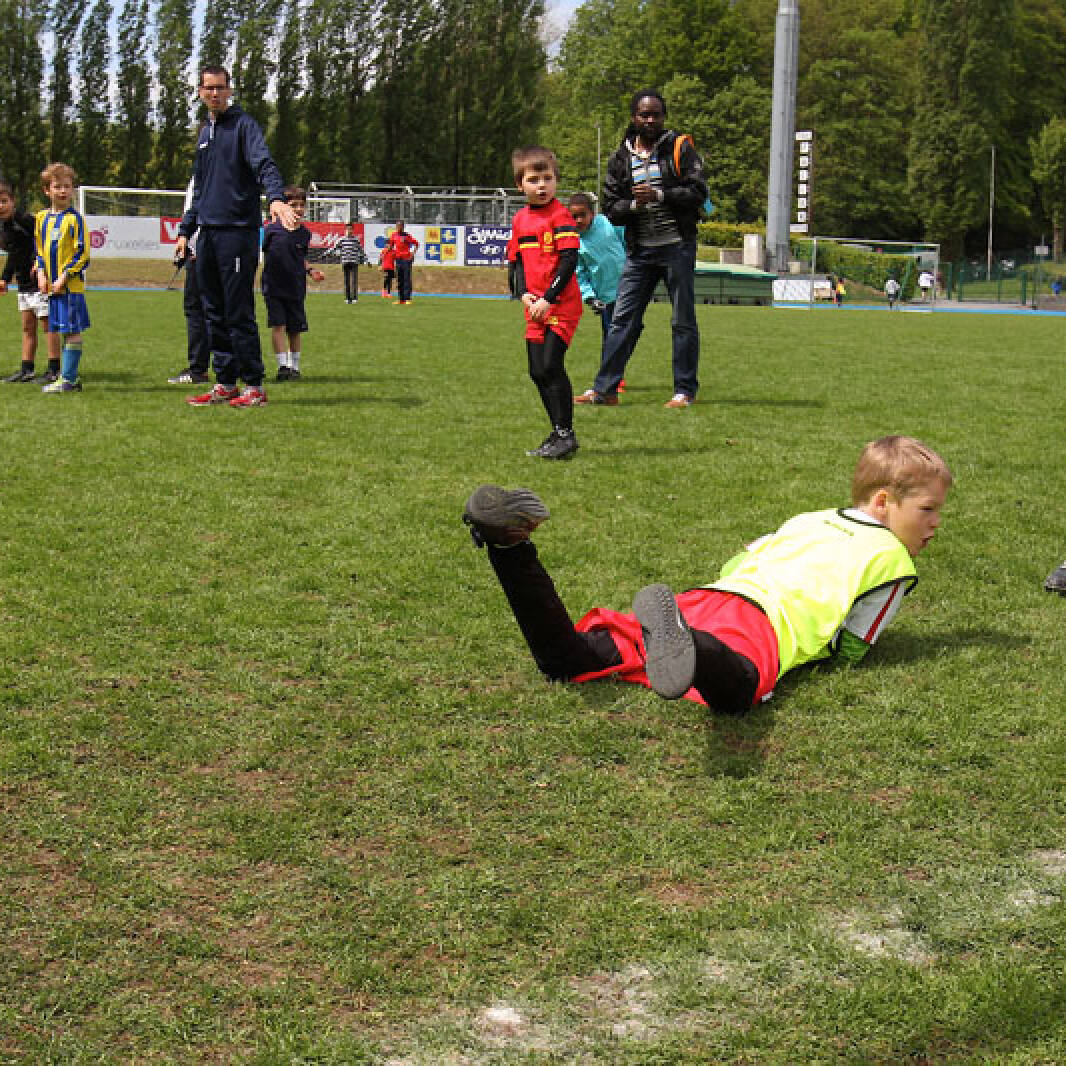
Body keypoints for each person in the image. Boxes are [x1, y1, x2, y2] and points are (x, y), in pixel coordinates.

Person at [461, 435, 951, 713]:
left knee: (568, 658)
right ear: (883, 502)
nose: (935, 523)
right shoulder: (893, 559)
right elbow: (854, 646)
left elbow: (743, 558)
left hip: (707, 598)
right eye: (927, 509)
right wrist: (829, 660)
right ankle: (693, 645)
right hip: (763, 623)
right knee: (738, 692)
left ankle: (510, 548)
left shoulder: (810, 518)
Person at [575, 89, 707, 409]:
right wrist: (635, 204)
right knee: (622, 319)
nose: (650, 120)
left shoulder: (680, 148)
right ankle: (605, 389)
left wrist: (660, 195)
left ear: (664, 117)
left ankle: (684, 390)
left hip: (677, 247)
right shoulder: (621, 157)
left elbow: (698, 192)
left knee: (682, 320)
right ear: (633, 117)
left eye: (656, 114)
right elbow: (611, 207)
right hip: (640, 252)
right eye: (644, 114)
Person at [175, 64, 297, 409]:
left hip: (237, 234)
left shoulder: (244, 126)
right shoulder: (204, 134)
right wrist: (185, 231)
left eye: (220, 87)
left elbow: (264, 165)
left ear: (229, 90)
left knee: (238, 311)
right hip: (207, 234)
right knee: (212, 311)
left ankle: (254, 385)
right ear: (200, 92)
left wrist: (276, 198)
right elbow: (200, 189)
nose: (214, 93)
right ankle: (226, 382)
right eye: (208, 88)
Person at [508, 146, 583, 461]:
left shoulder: (560, 215)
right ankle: (557, 433)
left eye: (547, 178)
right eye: (533, 180)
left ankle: (566, 434)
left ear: (556, 180)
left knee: (551, 365)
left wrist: (549, 298)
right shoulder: (520, 220)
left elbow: (569, 260)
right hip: (535, 306)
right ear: (520, 185)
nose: (542, 185)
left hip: (561, 305)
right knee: (537, 371)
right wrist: (523, 292)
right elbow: (517, 261)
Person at [568, 191, 639, 405]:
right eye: (574, 216)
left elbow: (628, 244)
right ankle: (614, 379)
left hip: (628, 289)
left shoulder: (608, 224)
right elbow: (580, 274)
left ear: (592, 213)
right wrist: (590, 297)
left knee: (632, 332)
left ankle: (614, 374)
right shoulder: (575, 242)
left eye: (582, 215)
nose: (578, 220)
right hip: (606, 298)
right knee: (612, 337)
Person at [34, 162, 90, 394]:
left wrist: (64, 278)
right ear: (47, 190)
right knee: (60, 329)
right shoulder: (41, 218)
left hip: (69, 288)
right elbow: (39, 250)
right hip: (51, 287)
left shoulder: (76, 220)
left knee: (71, 331)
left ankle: (68, 379)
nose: (63, 191)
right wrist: (41, 273)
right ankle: (67, 378)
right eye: (57, 186)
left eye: (67, 186)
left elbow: (82, 254)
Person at [261, 184, 325, 381]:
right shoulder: (272, 230)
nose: (298, 209)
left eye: (301, 205)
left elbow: (300, 259)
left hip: (296, 288)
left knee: (295, 329)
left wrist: (310, 270)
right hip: (274, 287)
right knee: (278, 326)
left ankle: (295, 367)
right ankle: (283, 366)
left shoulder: (304, 234)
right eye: (293, 205)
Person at [0, 178, 61, 384]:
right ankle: (27, 369)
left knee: (48, 326)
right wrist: (5, 279)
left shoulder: (24, 220)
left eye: (4, 201)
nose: (1, 206)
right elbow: (14, 254)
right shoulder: (4, 227)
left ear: (12, 201)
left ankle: (54, 370)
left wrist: (41, 264)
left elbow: (43, 240)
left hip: (40, 281)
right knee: (27, 327)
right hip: (23, 284)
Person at [168, 179, 212, 385]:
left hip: (202, 248)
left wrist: (190, 241)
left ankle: (198, 369)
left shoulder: (205, 173)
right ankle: (234, 367)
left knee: (197, 310)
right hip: (207, 247)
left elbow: (198, 209)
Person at [383, 220, 419, 305]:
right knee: (399, 279)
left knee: (406, 279)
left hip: (406, 260)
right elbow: (391, 246)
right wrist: (386, 253)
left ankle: (407, 299)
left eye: (400, 226)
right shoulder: (394, 235)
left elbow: (416, 244)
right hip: (398, 260)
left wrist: (413, 254)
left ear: (403, 227)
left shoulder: (407, 236)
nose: (398, 228)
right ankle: (400, 299)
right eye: (397, 226)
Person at [335, 222, 369, 304]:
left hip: (354, 262)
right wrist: (325, 254)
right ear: (345, 230)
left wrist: (366, 260)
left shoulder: (356, 240)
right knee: (346, 281)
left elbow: (361, 250)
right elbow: (334, 248)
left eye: (351, 229)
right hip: (345, 262)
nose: (349, 230)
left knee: (354, 281)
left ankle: (354, 298)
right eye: (348, 229)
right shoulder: (342, 239)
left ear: (353, 230)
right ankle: (348, 298)